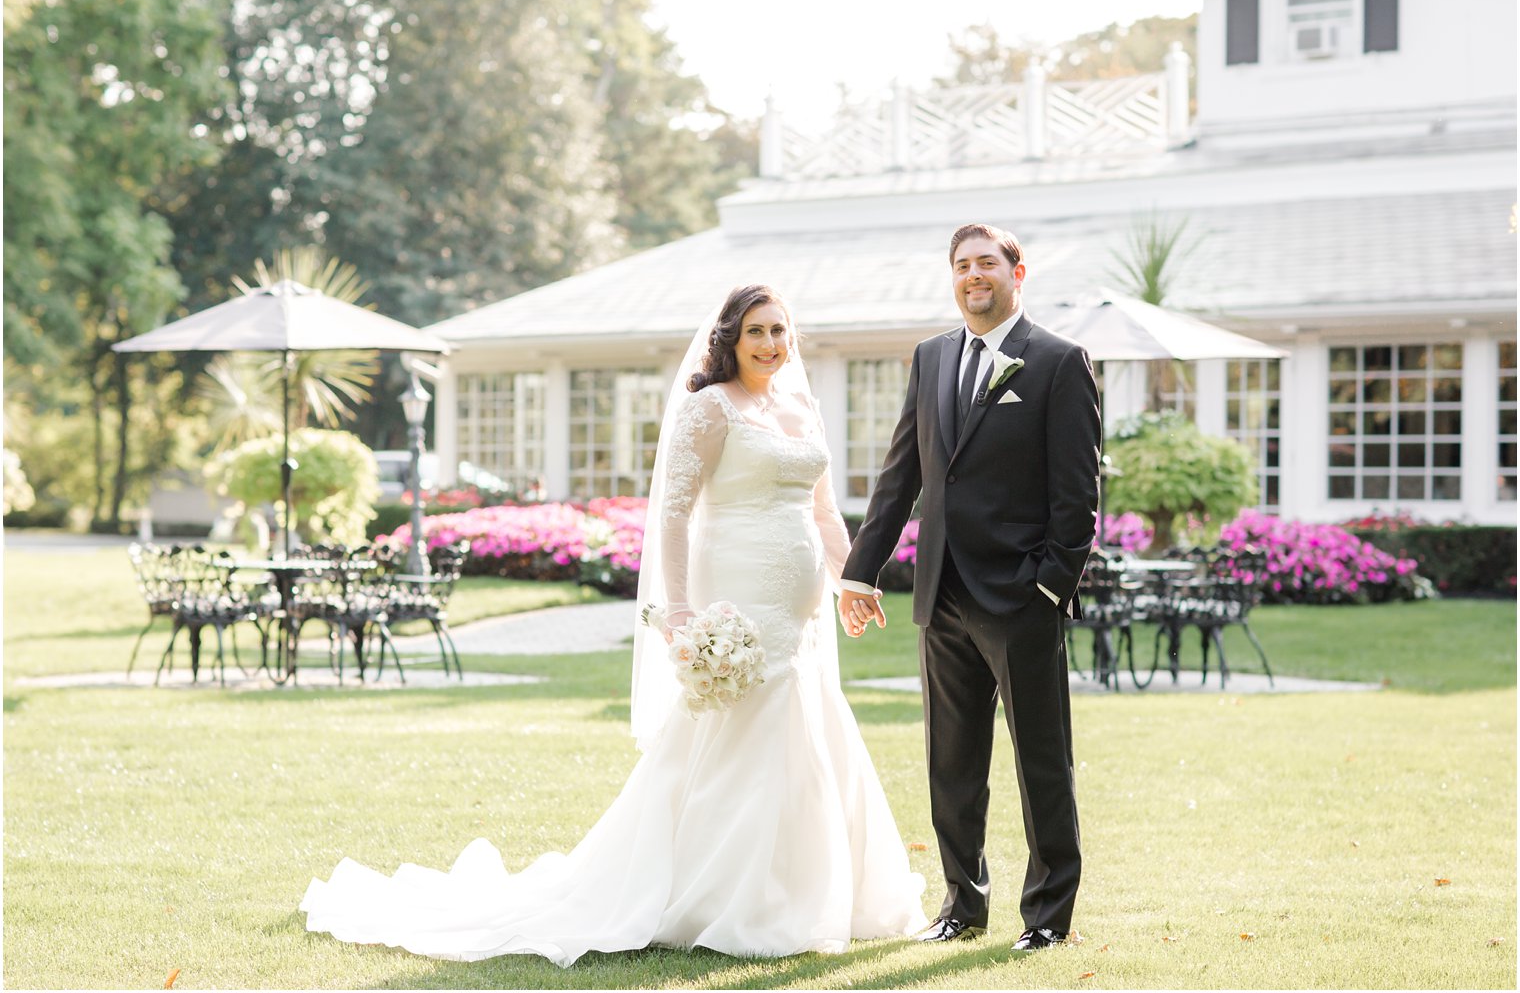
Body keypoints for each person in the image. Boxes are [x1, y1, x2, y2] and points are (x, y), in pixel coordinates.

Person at [301, 284, 927, 966]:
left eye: (781, 330)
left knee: (809, 729)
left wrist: (851, 581)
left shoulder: (802, 406)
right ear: (731, 338)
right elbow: (675, 514)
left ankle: (813, 890)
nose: (772, 343)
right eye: (757, 331)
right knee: (734, 733)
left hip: (799, 610)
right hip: (736, 597)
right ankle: (723, 895)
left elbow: (825, 513)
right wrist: (683, 613)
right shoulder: (710, 406)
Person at [836, 224, 1100, 953]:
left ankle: (1047, 918)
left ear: (1019, 272)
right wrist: (860, 569)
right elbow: (902, 477)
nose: (973, 275)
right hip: (941, 596)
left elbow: (1078, 499)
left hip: (1020, 601)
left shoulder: (1057, 362)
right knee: (951, 764)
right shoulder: (931, 357)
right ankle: (962, 904)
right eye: (961, 265)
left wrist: (1048, 589)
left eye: (987, 262)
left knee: (1041, 762)